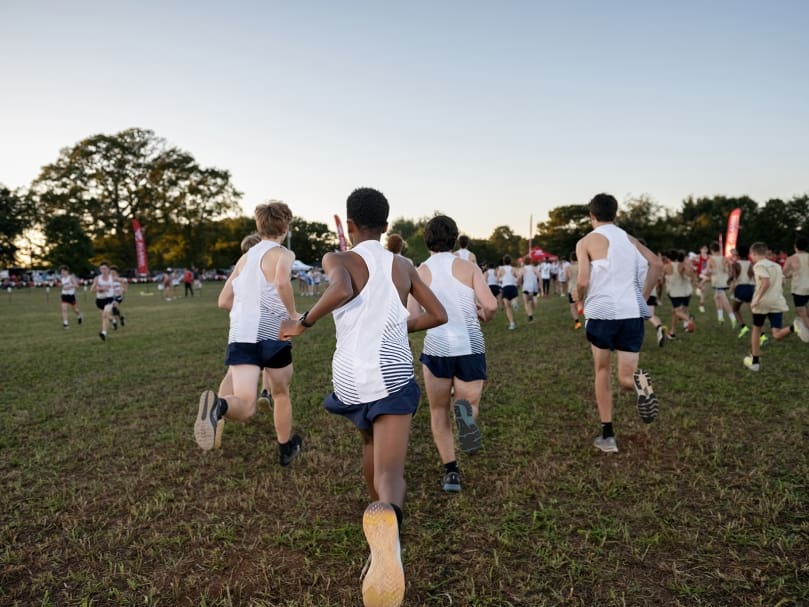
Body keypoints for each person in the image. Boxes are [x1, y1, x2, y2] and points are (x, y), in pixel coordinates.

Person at [280, 187, 446, 607]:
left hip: (351, 377)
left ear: (349, 225)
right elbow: (438, 315)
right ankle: (388, 534)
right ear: (386, 226)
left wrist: (304, 321)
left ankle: (378, 518)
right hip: (391, 373)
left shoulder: (339, 258)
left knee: (369, 442)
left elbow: (339, 290)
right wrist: (400, 329)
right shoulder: (404, 264)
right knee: (393, 472)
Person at [194, 201, 303, 468]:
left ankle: (219, 407)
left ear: (259, 226)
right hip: (272, 334)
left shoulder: (244, 259)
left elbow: (223, 300)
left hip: (241, 334)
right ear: (286, 226)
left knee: (245, 405)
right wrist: (292, 316)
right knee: (279, 393)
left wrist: (247, 312)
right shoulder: (283, 253)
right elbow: (280, 282)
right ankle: (285, 447)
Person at [409, 215, 497, 494]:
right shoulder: (468, 267)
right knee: (467, 402)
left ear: (427, 240)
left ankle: (451, 472)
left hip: (437, 348)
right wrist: (481, 314)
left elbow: (412, 317)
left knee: (438, 410)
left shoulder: (419, 272)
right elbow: (491, 305)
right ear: (455, 238)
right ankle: (466, 414)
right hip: (470, 345)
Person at [576, 193, 663, 453]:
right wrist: (643, 296)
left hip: (602, 312)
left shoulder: (586, 241)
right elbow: (656, 264)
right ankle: (643, 387)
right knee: (627, 377)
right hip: (632, 313)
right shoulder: (629, 239)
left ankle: (608, 435)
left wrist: (577, 298)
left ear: (591, 216)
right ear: (616, 214)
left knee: (602, 370)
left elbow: (582, 281)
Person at [743, 242, 790, 370]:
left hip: (762, 303)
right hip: (776, 301)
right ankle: (794, 327)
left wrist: (756, 299)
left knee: (756, 329)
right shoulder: (776, 266)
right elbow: (783, 282)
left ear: (753, 253)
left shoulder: (758, 265)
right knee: (777, 333)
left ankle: (755, 362)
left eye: (751, 255)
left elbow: (766, 283)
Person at [780, 235, 809, 341]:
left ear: (795, 246)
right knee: (805, 311)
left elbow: (783, 273)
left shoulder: (792, 258)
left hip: (799, 289)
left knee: (802, 313)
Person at [663, 250, 696, 340]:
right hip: (686, 292)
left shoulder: (666, 267)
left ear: (668, 258)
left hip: (675, 293)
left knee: (677, 312)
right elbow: (691, 275)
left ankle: (689, 319)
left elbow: (661, 279)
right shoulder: (683, 265)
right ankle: (672, 332)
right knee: (677, 312)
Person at [707, 242, 736, 328]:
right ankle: (720, 317)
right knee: (716, 297)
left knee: (724, 301)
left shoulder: (711, 259)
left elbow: (708, 271)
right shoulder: (725, 258)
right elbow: (730, 270)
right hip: (724, 281)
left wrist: (712, 272)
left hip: (717, 282)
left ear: (712, 250)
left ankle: (732, 318)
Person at [731, 244, 755, 338]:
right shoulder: (752, 264)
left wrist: (732, 289)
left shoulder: (736, 264)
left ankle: (743, 326)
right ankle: (761, 334)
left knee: (735, 309)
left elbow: (733, 278)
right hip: (751, 288)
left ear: (738, 254)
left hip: (740, 289)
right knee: (754, 312)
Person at [90, 261, 115, 341]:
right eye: (101, 269)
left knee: (104, 315)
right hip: (100, 301)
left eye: (104, 269)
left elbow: (121, 280)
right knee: (106, 316)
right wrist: (100, 289)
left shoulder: (112, 277)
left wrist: (123, 284)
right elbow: (92, 290)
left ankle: (103, 333)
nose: (103, 271)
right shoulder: (97, 279)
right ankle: (113, 320)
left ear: (108, 269)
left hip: (109, 299)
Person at [496, 255, 519, 330]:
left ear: (503, 261)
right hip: (513, 287)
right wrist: (516, 281)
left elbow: (497, 280)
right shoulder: (514, 269)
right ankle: (514, 302)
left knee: (507, 307)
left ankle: (512, 324)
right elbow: (518, 277)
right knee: (513, 299)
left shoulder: (501, 269)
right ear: (510, 261)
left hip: (505, 288)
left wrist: (502, 280)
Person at [566, 252, 582, 329]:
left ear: (571, 259)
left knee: (572, 306)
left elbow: (568, 278)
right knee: (583, 303)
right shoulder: (582, 266)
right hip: (582, 287)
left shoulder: (568, 267)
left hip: (572, 288)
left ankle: (577, 322)